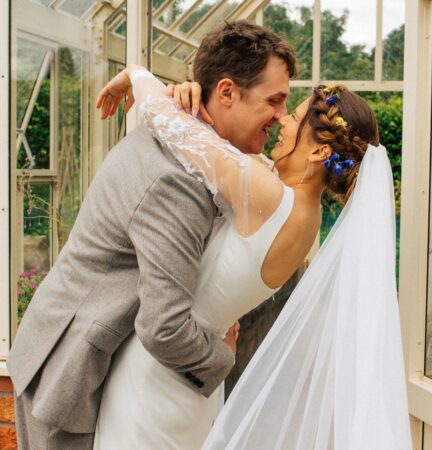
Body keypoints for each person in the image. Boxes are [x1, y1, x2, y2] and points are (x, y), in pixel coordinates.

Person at [7, 21, 296, 450]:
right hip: (70, 374)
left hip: (106, 364)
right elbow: (164, 326)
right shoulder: (177, 181)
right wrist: (222, 359)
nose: (281, 116)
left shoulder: (187, 136)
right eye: (273, 100)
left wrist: (146, 81)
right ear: (227, 92)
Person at [94, 58, 411, 448]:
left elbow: (174, 128)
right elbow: (216, 144)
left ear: (317, 153)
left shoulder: (267, 194)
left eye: (293, 117)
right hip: (197, 380)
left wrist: (138, 75)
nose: (282, 121)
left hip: (158, 374)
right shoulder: (303, 216)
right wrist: (185, 95)